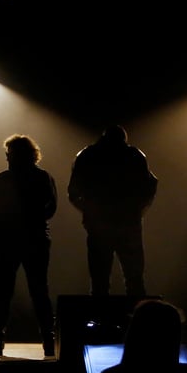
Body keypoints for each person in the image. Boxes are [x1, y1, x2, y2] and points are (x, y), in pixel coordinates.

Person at [0, 134, 58, 357]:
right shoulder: (43, 177)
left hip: (6, 242)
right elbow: (51, 209)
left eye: (9, 153)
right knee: (39, 291)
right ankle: (49, 342)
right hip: (36, 239)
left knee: (2, 292)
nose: (7, 157)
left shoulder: (0, 180)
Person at [67, 125, 158, 297]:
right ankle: (138, 319)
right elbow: (150, 186)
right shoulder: (135, 155)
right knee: (135, 279)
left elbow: (73, 192)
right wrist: (138, 210)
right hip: (129, 223)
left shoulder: (87, 155)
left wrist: (90, 213)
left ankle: (100, 319)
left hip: (98, 226)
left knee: (99, 281)